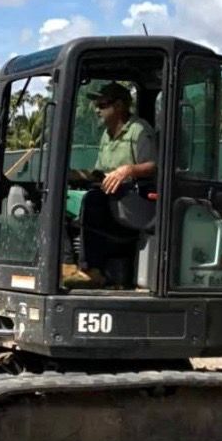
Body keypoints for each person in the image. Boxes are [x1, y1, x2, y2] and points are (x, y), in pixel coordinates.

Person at [65, 82, 157, 287]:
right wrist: (75, 175)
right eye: (97, 104)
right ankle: (67, 264)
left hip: (135, 200)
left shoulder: (139, 130)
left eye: (102, 104)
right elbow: (101, 172)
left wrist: (128, 170)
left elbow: (154, 166)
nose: (97, 109)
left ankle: (93, 269)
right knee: (60, 200)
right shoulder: (106, 135)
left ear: (120, 105)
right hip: (111, 194)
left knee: (93, 201)